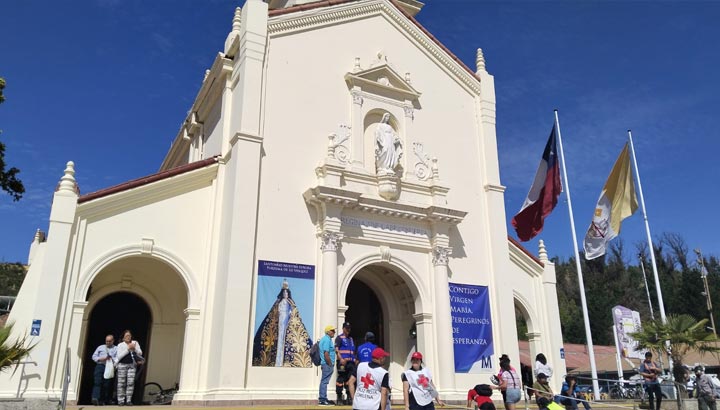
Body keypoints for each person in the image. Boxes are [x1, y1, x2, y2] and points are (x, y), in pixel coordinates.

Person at [252, 279, 312, 367]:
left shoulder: (290, 302)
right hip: (279, 321)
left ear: (288, 294)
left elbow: (294, 311)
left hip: (286, 321)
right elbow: (274, 312)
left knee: (285, 337)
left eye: (286, 293)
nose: (285, 294)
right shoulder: (278, 302)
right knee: (278, 338)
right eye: (284, 293)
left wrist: (291, 314)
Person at [114, 330, 144, 406]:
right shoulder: (120, 345)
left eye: (129, 336)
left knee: (130, 383)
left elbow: (140, 353)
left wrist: (134, 348)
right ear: (123, 338)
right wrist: (128, 349)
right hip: (122, 365)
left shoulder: (135, 343)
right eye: (126, 336)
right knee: (121, 383)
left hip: (132, 365)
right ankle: (120, 401)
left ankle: (128, 400)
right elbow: (119, 356)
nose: (128, 337)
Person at [91, 334, 117, 406]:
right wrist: (100, 359)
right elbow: (94, 356)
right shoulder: (100, 347)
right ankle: (95, 398)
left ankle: (103, 400)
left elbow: (118, 358)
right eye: (106, 341)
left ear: (113, 341)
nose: (108, 342)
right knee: (97, 382)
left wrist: (112, 359)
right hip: (100, 365)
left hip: (109, 367)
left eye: (109, 341)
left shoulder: (116, 348)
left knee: (106, 384)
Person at [335, 322, 358, 405]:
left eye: (349, 328)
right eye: (346, 328)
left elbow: (353, 351)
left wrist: (355, 359)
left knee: (350, 380)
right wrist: (341, 359)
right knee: (341, 379)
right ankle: (339, 397)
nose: (348, 330)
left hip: (351, 363)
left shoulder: (351, 339)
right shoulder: (339, 338)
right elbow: (336, 350)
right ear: (343, 328)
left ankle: (349, 397)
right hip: (342, 363)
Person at [318, 325, 337, 406]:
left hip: (326, 364)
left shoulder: (326, 339)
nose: (334, 332)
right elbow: (326, 353)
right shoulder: (327, 340)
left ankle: (323, 398)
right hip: (327, 364)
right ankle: (322, 399)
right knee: (324, 382)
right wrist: (330, 364)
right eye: (332, 331)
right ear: (328, 332)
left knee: (324, 381)